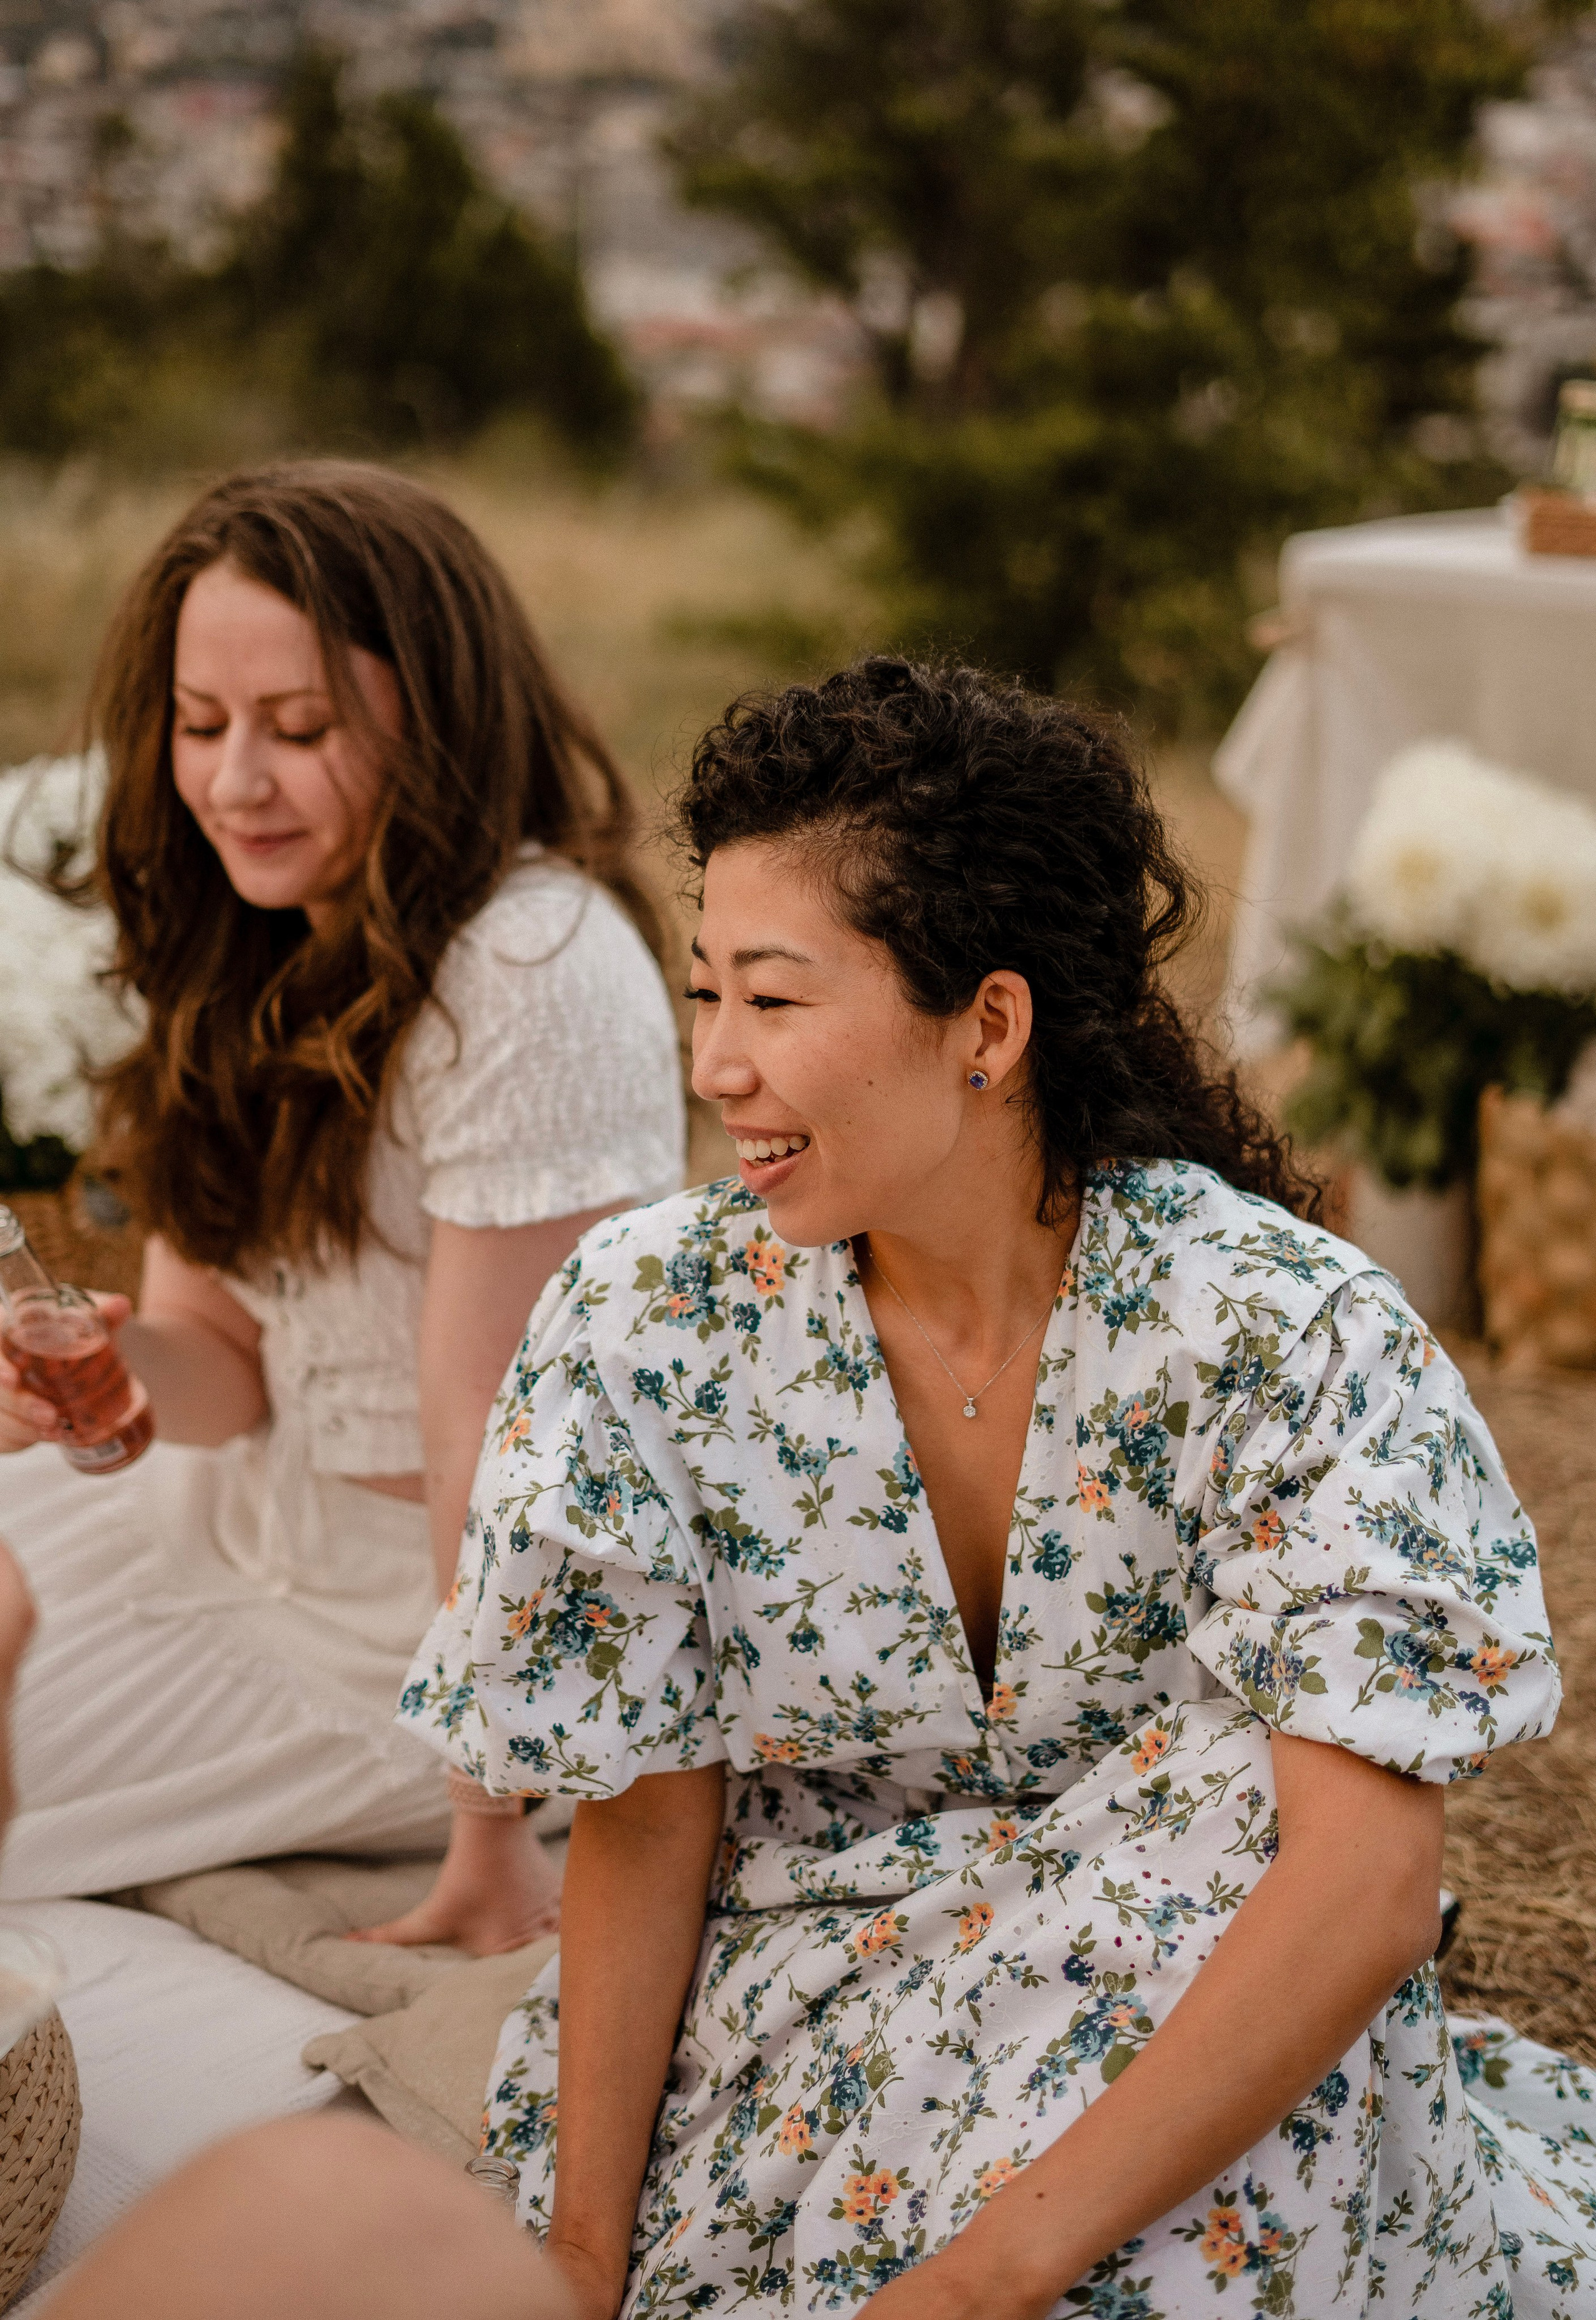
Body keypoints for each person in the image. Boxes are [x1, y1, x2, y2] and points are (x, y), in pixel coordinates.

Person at [398, 659, 1593, 2316]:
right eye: (703, 995)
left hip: (1184, 2027)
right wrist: (582, 2258)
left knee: (1251, 1792)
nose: (715, 1066)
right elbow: (651, 1817)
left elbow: (1361, 1888)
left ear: (990, 1025)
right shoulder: (644, 1323)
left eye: (773, 1000)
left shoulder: (1283, 1329)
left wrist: (984, 2278)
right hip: (814, 2026)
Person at [0, 462, 684, 1953]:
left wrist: (487, 1821)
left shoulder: (530, 970)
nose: (234, 782)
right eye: (200, 724)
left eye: (299, 730)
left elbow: (494, 1446)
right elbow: (218, 1359)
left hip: (390, 1637)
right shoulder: (251, 932)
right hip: (220, 1517)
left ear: (434, 719)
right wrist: (106, 1373)